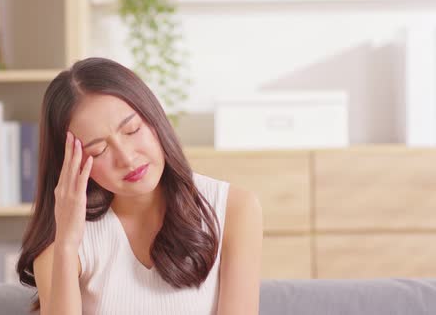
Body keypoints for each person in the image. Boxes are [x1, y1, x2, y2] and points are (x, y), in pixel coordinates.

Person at [16, 57, 262, 315]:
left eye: (132, 130)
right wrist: (67, 244)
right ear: (71, 164)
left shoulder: (234, 209)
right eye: (99, 150)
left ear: (154, 118)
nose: (127, 158)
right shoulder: (64, 238)